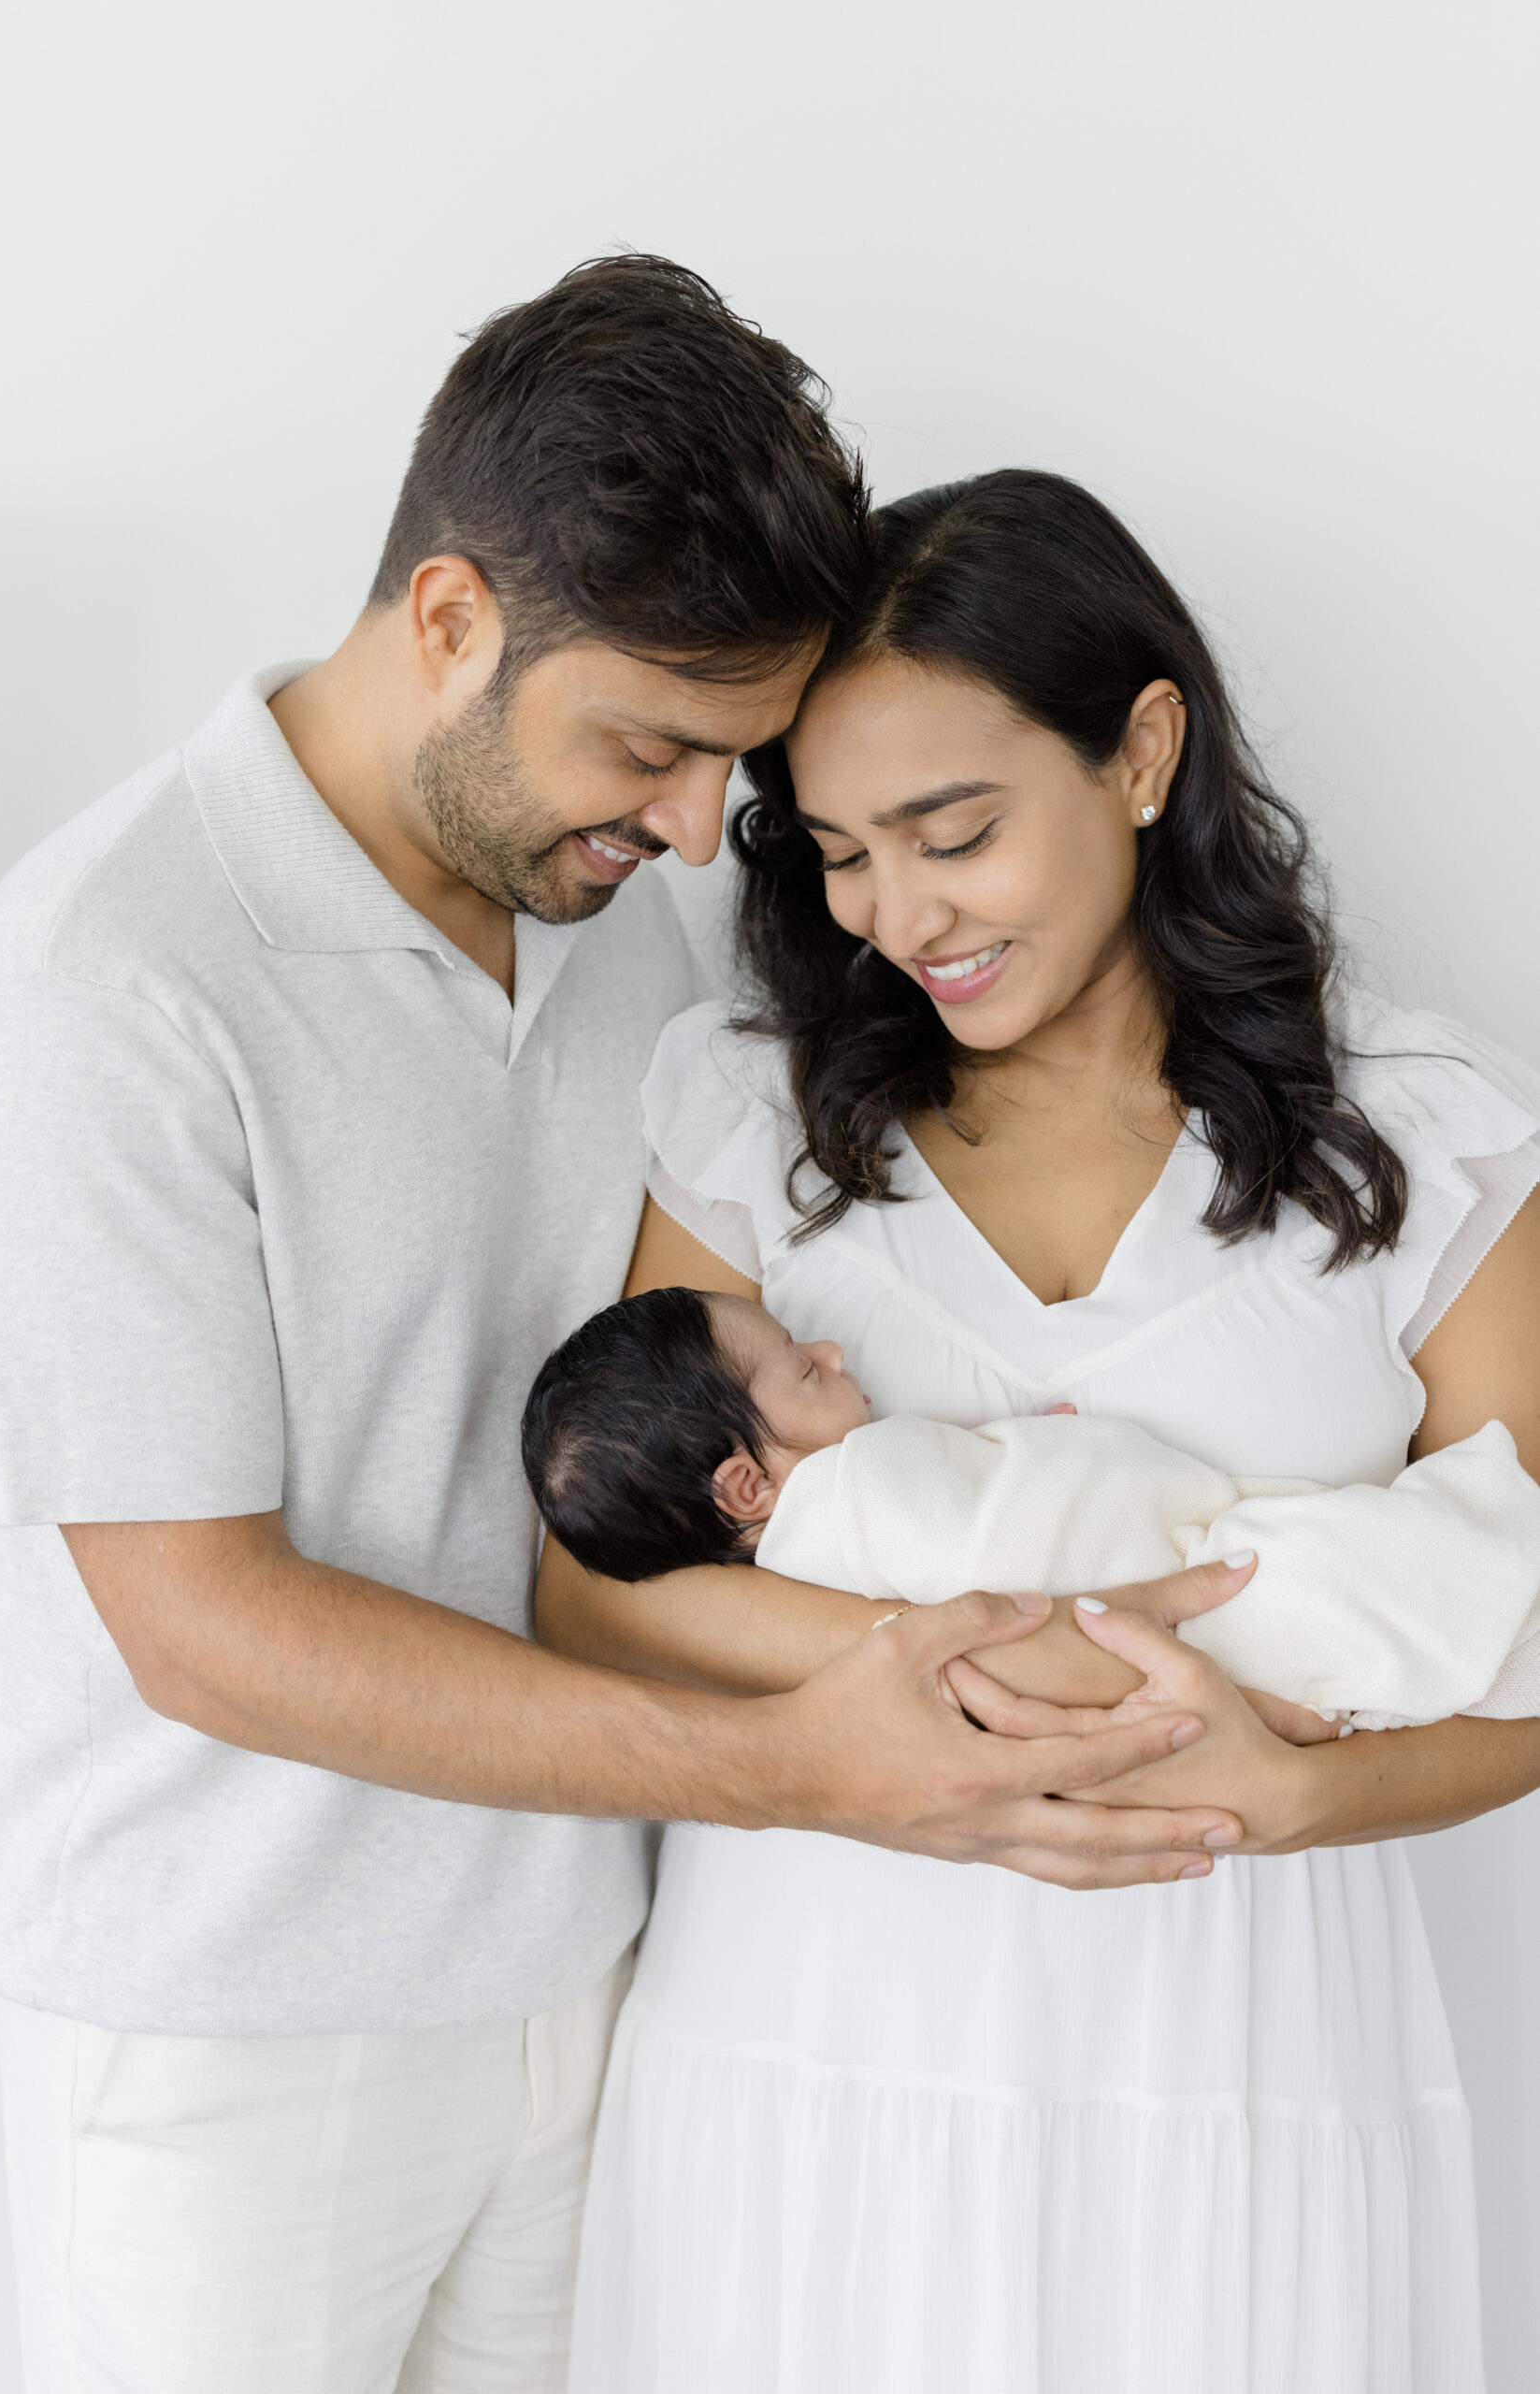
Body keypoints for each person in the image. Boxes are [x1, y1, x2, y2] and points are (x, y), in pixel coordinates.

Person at [0, 270, 1245, 2394]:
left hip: (585, 1975)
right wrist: (783, 1768)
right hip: (226, 2031)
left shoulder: (612, 936)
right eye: (646, 743)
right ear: (450, 617)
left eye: (722, 771)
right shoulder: (106, 979)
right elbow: (195, 1615)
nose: (672, 830)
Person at [539, 469, 1540, 2391]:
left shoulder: (1424, 1133)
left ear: (1143, 747)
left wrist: (1307, 1790)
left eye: (953, 830)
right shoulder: (752, 1117)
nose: (896, 914)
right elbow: (600, 1591)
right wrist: (950, 1668)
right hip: (813, 2032)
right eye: (835, 849)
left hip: (1230, 2047)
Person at [523, 1285, 1540, 1727]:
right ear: (745, 1483)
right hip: (1180, 1583)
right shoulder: (855, 1485)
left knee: (1360, 1614)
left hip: (1134, 1654)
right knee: (1348, 1571)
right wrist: (1052, 1442)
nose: (831, 1354)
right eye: (798, 1367)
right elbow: (1038, 1510)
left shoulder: (785, 1596)